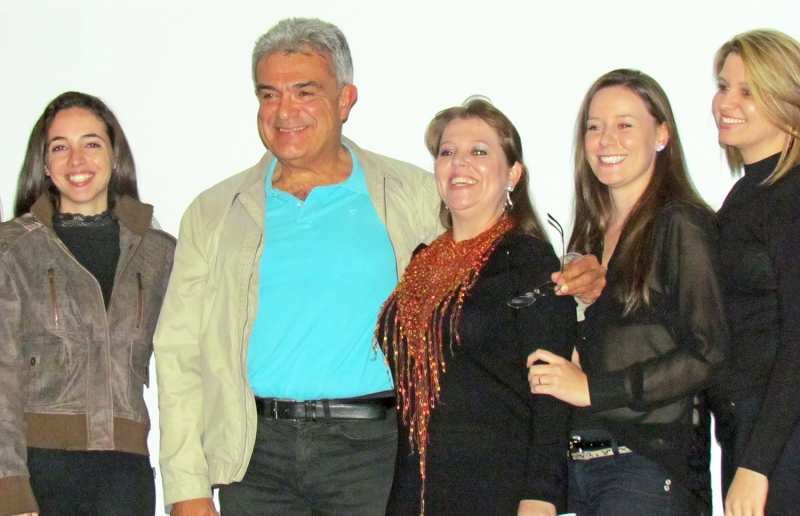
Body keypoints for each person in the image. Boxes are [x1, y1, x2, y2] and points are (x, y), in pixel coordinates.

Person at [153, 17, 605, 516]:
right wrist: (186, 486)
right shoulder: (216, 212)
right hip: (254, 457)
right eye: (269, 94)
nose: (284, 111)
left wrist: (572, 274)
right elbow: (179, 353)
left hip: (374, 457)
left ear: (345, 100)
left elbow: (492, 262)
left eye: (305, 91)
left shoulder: (412, 192)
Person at [527, 69, 728, 515]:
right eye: (594, 126)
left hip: (646, 466)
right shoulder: (590, 238)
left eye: (624, 124)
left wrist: (594, 389)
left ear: (661, 135)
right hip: (581, 467)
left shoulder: (681, 224)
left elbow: (708, 352)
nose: (606, 140)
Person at [379, 98, 574, 516]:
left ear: (513, 174)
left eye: (479, 151)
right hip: (414, 488)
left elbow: (552, 391)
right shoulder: (421, 263)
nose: (459, 162)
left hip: (497, 485)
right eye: (447, 152)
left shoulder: (528, 260)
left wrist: (542, 494)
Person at [0, 91, 175, 516]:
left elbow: (186, 368)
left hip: (125, 478)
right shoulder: (12, 249)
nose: (76, 160)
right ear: (44, 165)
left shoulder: (159, 253)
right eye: (60, 147)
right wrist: (10, 489)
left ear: (115, 156)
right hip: (39, 472)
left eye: (91, 143)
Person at [708, 29, 800, 516]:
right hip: (749, 433)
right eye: (724, 86)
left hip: (780, 442)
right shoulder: (744, 197)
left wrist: (758, 463)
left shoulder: (791, 195)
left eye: (748, 91)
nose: (726, 102)